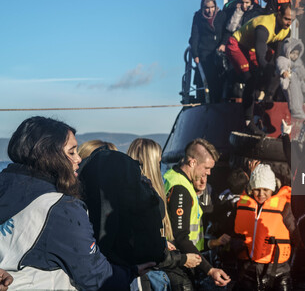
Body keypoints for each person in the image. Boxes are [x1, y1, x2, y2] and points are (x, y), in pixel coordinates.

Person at [0, 116, 152, 290]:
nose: (79, 159)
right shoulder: (60, 207)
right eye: (72, 152)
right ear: (49, 155)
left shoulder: (6, 187)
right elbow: (96, 277)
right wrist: (131, 272)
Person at [127, 138, 203, 291]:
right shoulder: (146, 197)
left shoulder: (127, 192)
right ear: (152, 162)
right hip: (147, 276)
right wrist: (182, 259)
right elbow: (147, 249)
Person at [163, 139, 231, 287]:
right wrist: (210, 269)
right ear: (192, 162)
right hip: (178, 266)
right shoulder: (181, 188)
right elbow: (180, 237)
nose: (209, 172)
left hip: (178, 260)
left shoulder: (172, 176)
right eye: (206, 167)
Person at [225, 4, 293, 135]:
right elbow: (261, 59)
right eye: (286, 19)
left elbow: (279, 57)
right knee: (250, 79)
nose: (289, 23)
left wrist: (280, 72)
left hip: (249, 47)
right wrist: (271, 71)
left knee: (271, 70)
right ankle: (248, 122)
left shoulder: (286, 29)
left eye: (291, 19)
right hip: (236, 45)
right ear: (278, 15)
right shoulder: (264, 27)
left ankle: (263, 99)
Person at [233, 164, 295, 291]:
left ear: (272, 188)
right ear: (251, 189)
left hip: (278, 269)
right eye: (257, 189)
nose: (261, 194)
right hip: (248, 268)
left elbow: (297, 234)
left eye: (266, 190)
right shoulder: (240, 203)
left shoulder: (285, 206)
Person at [189, 0, 227, 103]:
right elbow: (194, 36)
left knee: (220, 78)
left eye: (212, 7)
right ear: (202, 7)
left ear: (215, 6)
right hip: (204, 52)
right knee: (205, 79)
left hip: (219, 52)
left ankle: (219, 101)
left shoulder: (222, 15)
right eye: (207, 8)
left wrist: (223, 44)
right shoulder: (198, 17)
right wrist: (195, 54)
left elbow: (226, 32)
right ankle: (206, 102)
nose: (210, 11)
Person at [277, 37, 305, 120]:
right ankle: (296, 111)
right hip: (289, 80)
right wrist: (283, 71)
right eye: (293, 53)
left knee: (299, 95)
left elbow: (301, 69)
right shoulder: (284, 59)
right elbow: (281, 65)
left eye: (297, 54)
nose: (295, 56)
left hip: (298, 80)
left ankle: (300, 108)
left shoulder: (298, 62)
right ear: (288, 51)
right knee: (293, 94)